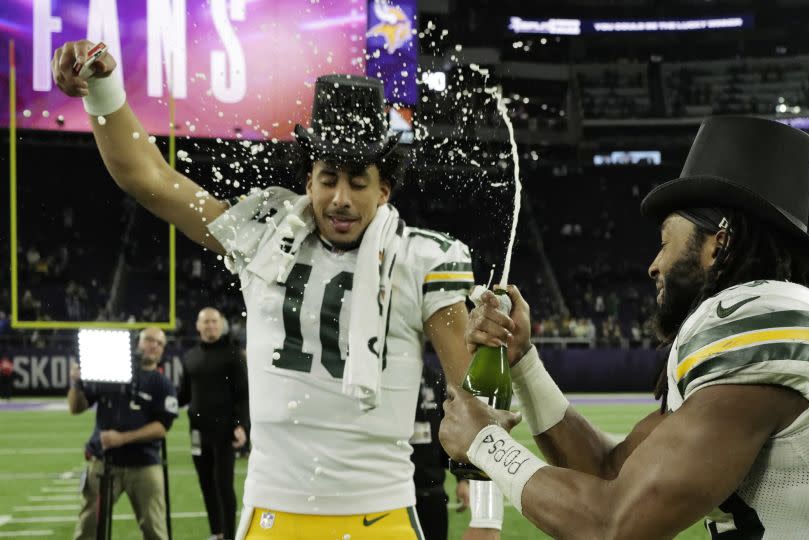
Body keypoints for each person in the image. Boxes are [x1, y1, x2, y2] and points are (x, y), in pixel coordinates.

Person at [52, 41, 500, 540]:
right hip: (274, 513)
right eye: (328, 178)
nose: (341, 198)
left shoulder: (421, 259)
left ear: (384, 189)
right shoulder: (264, 238)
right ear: (308, 180)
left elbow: (475, 396)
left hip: (384, 514)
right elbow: (150, 179)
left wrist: (486, 515)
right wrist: (104, 89)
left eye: (358, 181)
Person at [439, 116, 809, 538]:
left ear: (720, 241)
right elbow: (608, 471)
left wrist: (485, 441)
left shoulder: (765, 319)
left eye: (665, 241)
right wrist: (524, 360)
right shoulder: (761, 329)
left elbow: (616, 524)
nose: (654, 265)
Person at [67, 327, 178, 540]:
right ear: (137, 343)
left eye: (159, 343)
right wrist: (76, 383)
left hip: (145, 464)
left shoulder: (162, 383)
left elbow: (161, 428)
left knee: (155, 530)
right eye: (148, 340)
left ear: (163, 350)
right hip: (104, 461)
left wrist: (122, 439)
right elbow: (76, 408)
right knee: (88, 527)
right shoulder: (111, 372)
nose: (153, 345)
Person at [179, 307, 249, 540]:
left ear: (221, 325)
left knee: (224, 486)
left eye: (214, 322)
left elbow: (243, 395)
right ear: (198, 326)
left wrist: (241, 425)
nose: (210, 326)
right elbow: (184, 395)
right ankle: (216, 533)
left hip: (224, 432)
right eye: (206, 322)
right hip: (198, 432)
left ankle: (229, 536)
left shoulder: (233, 355)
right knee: (206, 484)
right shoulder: (190, 357)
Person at [412, 363, 489, 540]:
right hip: (398, 490)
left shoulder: (436, 379)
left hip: (432, 491)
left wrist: (462, 479)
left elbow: (450, 433)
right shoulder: (389, 376)